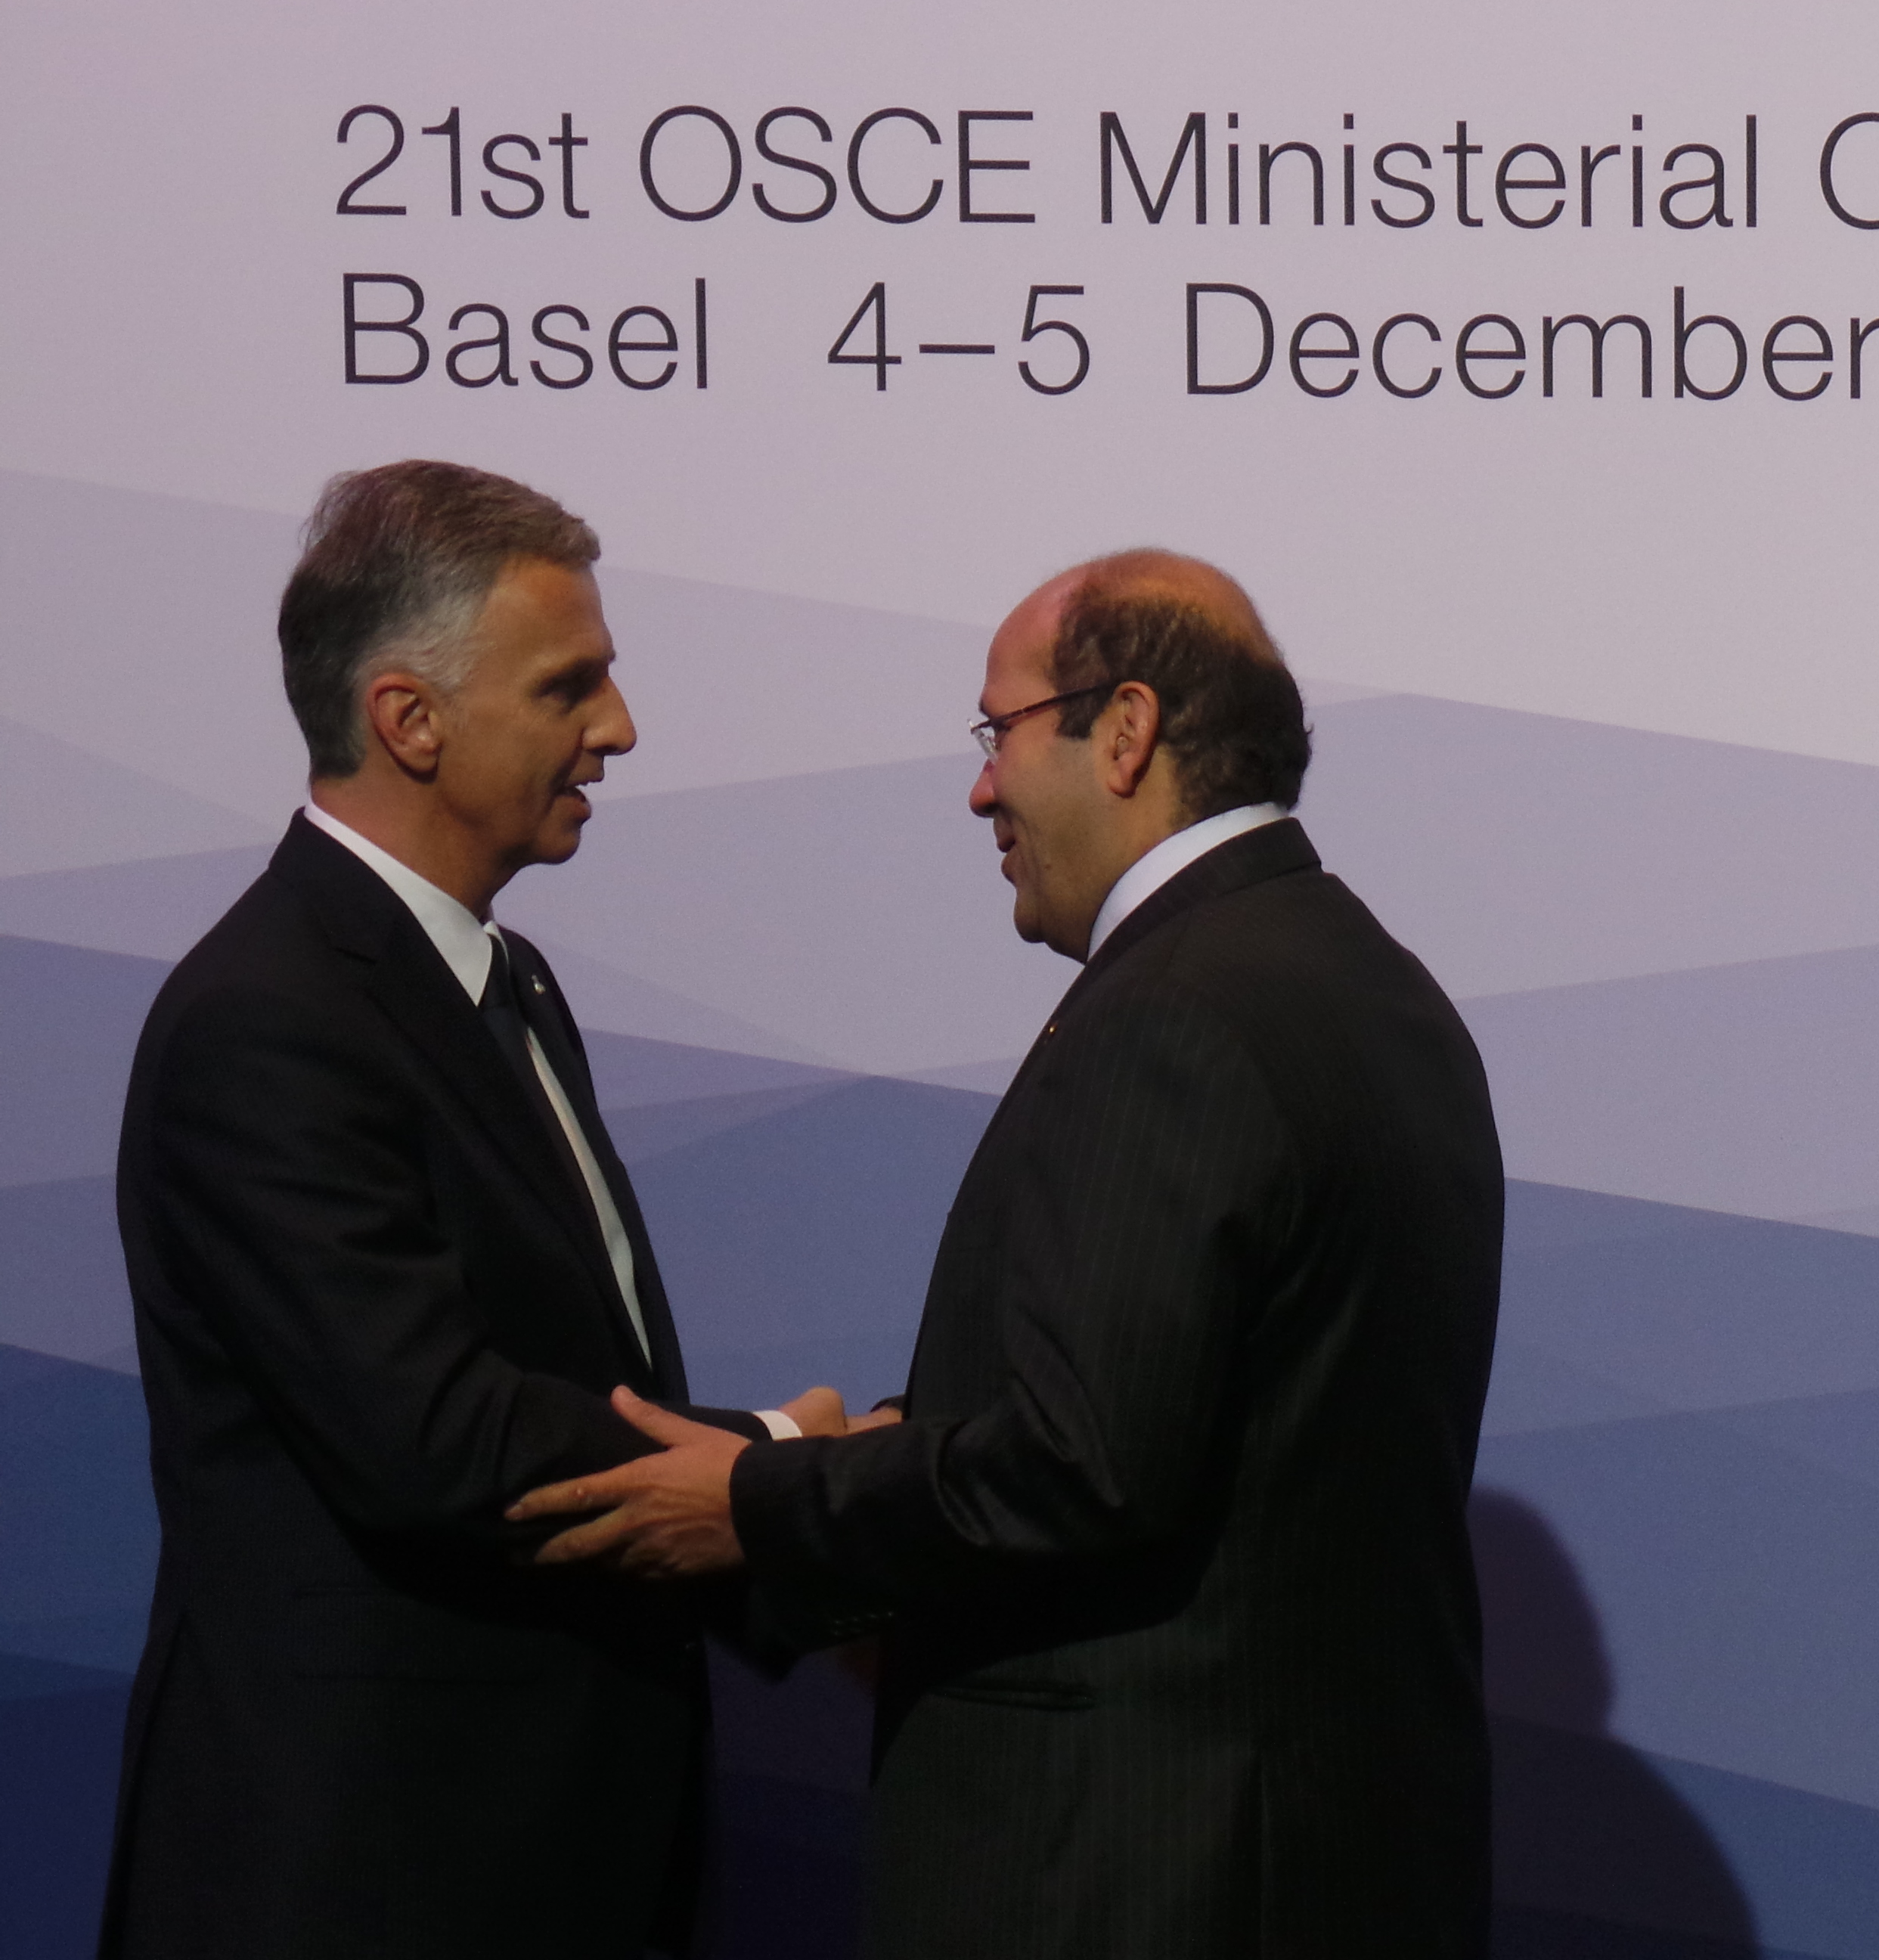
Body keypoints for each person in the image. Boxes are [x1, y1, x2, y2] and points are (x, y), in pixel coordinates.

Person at [516, 551, 1509, 1958]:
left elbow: (1080, 1463)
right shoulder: (1374, 988)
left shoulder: (1177, 1010)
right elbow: (1215, 1415)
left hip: (1142, 1876)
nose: (980, 789)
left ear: (1125, 730)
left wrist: (765, 1500)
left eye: (998, 733)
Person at [103, 461, 847, 1959]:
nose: (618, 732)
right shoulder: (271, 1017)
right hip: (367, 1878)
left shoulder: (500, 985)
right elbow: (430, 1437)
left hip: (535, 1854)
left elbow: (570, 1379)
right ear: (410, 719)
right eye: (571, 688)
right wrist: (769, 1466)